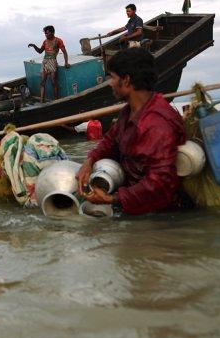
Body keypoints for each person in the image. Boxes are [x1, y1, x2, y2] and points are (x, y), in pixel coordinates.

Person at [76, 48, 186, 215]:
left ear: (126, 80)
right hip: (132, 199)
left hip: (158, 214)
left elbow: (161, 185)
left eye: (112, 78)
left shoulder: (156, 124)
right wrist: (89, 161)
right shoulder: (129, 112)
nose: (110, 84)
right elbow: (109, 141)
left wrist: (113, 200)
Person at [27, 25, 70, 101]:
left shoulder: (58, 40)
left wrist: (66, 62)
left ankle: (56, 100)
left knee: (54, 82)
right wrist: (34, 46)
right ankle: (42, 101)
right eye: (45, 33)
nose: (46, 35)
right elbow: (40, 51)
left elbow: (64, 52)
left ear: (52, 32)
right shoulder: (45, 41)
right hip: (45, 61)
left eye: (47, 33)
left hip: (52, 61)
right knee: (42, 83)